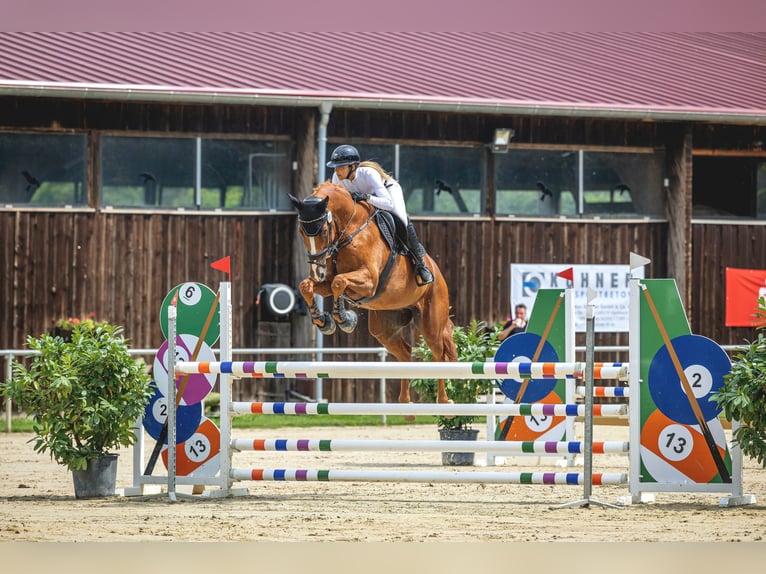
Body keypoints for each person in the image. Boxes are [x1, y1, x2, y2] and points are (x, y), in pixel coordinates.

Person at [326, 144, 434, 285]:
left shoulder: (368, 174)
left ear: (353, 167)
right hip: (363, 198)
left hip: (388, 193)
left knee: (401, 219)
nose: (337, 171)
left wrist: (367, 197)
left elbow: (388, 204)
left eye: (341, 167)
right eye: (335, 167)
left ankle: (420, 263)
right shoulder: (336, 178)